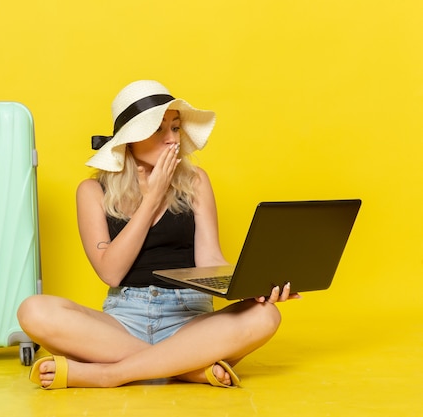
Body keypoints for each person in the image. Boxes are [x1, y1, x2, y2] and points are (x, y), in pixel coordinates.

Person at [17, 80, 299, 389]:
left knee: (265, 316)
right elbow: (111, 272)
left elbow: (210, 261)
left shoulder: (196, 181)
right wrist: (151, 199)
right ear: (130, 140)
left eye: (175, 128)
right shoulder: (92, 191)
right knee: (33, 310)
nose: (172, 140)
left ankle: (109, 374)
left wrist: (251, 285)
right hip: (123, 320)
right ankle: (188, 369)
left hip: (190, 317)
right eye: (158, 130)